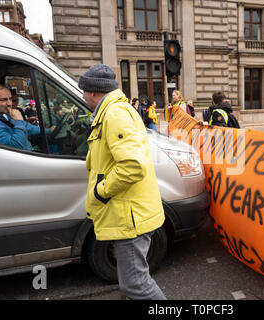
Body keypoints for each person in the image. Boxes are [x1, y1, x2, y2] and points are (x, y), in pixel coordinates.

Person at [78, 64, 166, 300]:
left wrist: (101, 192)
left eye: (83, 91)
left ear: (94, 91)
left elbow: (131, 166)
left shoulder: (115, 114)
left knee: (136, 285)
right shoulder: (109, 113)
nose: (82, 96)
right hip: (127, 213)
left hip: (130, 217)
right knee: (135, 283)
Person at [0, 84, 51, 151]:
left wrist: (49, 131)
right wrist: (19, 121)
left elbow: (27, 127)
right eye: (3, 100)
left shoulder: (2, 113)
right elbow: (16, 147)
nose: (10, 103)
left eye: (10, 99)